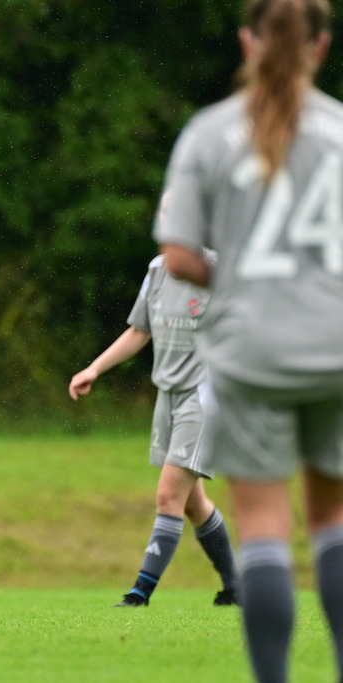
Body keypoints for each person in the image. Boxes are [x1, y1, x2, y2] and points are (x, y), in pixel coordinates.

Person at [154, 1, 343, 680]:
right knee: (332, 517)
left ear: (247, 42)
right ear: (320, 48)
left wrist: (232, 280)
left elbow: (177, 255)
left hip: (253, 348)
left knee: (265, 519)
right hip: (336, 345)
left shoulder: (209, 134)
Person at [69, 255, 238, 608]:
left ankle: (140, 592)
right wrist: (94, 369)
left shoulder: (221, 270)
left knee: (168, 495)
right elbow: (139, 330)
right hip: (169, 396)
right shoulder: (158, 270)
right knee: (193, 502)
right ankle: (236, 587)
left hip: (206, 396)